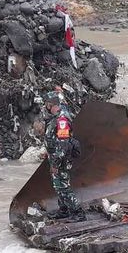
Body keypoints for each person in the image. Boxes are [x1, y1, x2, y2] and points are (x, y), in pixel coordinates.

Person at [42, 90, 85, 221]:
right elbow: (54, 140)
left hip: (61, 160)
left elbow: (63, 144)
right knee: (58, 186)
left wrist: (55, 164)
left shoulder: (62, 120)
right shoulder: (57, 116)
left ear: (52, 105)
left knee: (63, 186)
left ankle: (78, 212)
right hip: (56, 157)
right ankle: (64, 210)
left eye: (47, 104)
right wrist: (48, 152)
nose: (45, 107)